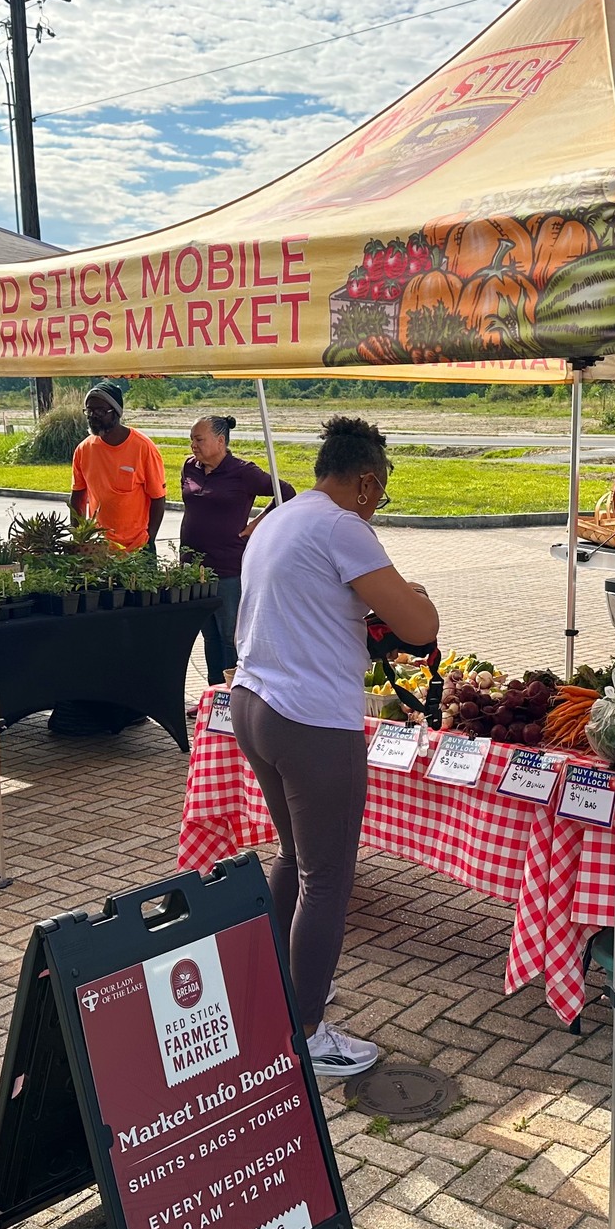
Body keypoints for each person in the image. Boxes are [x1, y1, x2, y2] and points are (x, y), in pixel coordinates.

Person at [231, 416, 437, 1077]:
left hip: (253, 705)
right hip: (313, 723)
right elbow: (419, 625)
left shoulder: (281, 518)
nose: (381, 503)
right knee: (328, 880)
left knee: (295, 857)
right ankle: (308, 1030)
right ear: (367, 479)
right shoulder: (343, 526)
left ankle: (282, 992)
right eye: (384, 489)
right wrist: (414, 596)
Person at [180, 414, 295, 685]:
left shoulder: (242, 472)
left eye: (199, 439)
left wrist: (257, 524)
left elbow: (286, 492)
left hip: (228, 565)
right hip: (192, 567)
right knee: (208, 634)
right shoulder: (190, 466)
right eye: (191, 440)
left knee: (230, 633)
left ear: (220, 441)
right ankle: (214, 692)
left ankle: (235, 694)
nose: (193, 445)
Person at [70, 380, 166, 551]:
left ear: (116, 412)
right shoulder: (83, 449)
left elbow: (158, 498)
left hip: (137, 547)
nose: (93, 416)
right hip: (98, 549)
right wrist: (79, 538)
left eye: (100, 411)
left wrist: (148, 539)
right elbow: (78, 496)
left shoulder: (143, 448)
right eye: (89, 410)